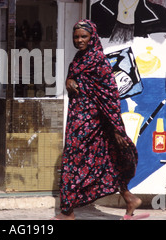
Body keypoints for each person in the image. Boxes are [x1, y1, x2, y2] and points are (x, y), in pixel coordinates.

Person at [53, 19, 147, 220]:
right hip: (79, 120)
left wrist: (116, 128)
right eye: (76, 37)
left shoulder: (99, 62)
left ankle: (67, 212)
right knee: (103, 161)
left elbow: (110, 96)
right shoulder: (79, 59)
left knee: (72, 159)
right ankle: (129, 199)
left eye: (83, 36)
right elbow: (75, 79)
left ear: (92, 37)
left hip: (93, 122)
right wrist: (69, 80)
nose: (79, 40)